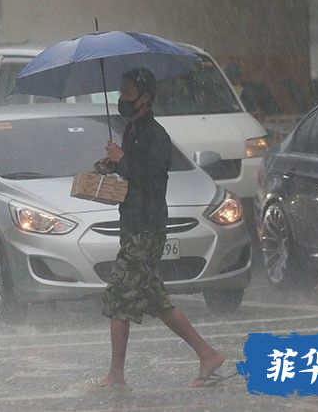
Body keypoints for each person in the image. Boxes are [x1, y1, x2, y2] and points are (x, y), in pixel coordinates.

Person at [93, 67, 225, 391]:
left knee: (120, 296)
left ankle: (116, 376)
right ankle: (208, 354)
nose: (121, 99)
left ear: (145, 98)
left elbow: (153, 181)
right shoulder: (132, 131)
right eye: (120, 93)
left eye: (127, 93)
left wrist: (122, 159)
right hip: (134, 222)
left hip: (146, 227)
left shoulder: (155, 135)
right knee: (155, 299)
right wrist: (112, 165)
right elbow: (133, 172)